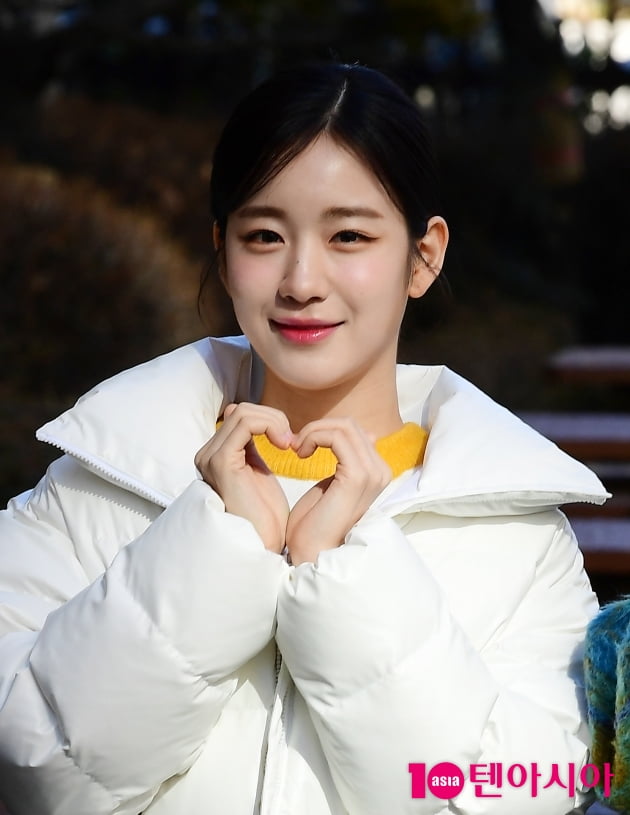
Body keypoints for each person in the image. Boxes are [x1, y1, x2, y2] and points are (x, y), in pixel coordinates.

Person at [0, 62, 609, 815]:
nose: (301, 280)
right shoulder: (96, 482)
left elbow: (530, 794)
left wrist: (346, 581)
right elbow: (34, 772)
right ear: (221, 250)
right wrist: (212, 551)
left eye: (349, 235)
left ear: (424, 255)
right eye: (264, 235)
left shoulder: (518, 534)